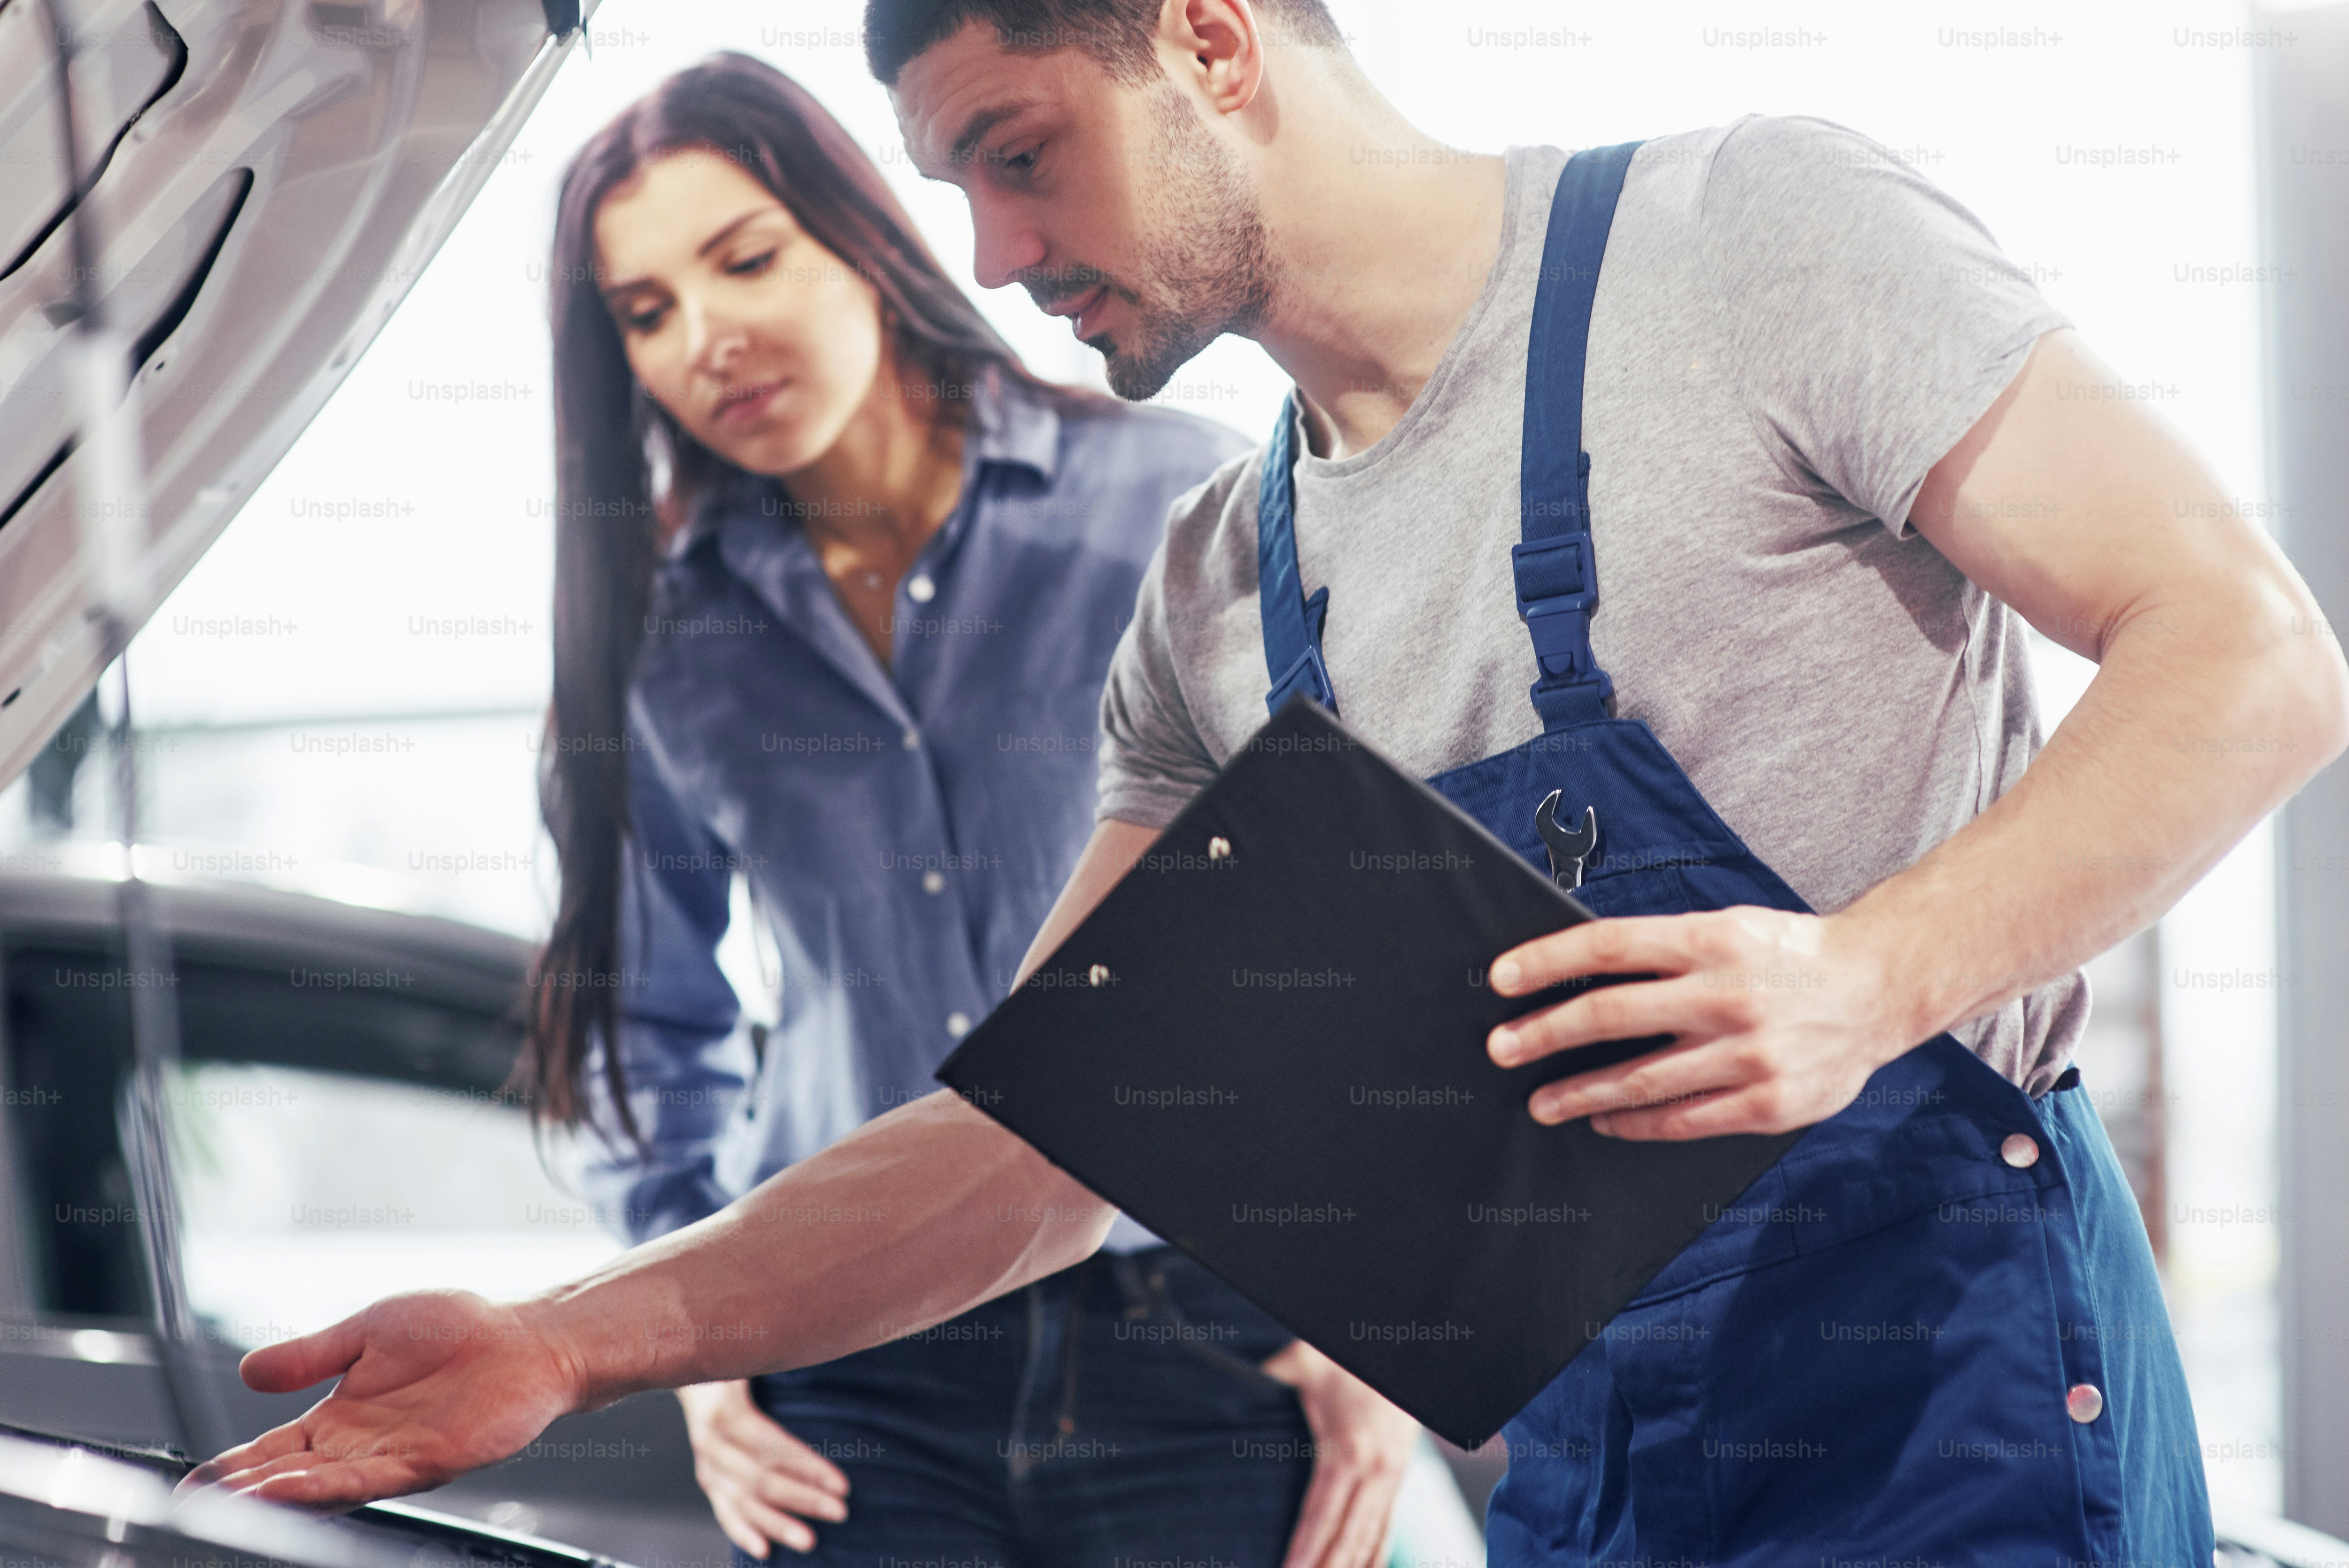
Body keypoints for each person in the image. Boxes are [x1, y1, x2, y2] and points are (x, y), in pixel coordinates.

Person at [188, 3, 2349, 1564]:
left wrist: (1866, 976)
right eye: (958, 193)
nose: (1001, 255)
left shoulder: (1747, 238)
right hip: (1591, 1451)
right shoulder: (1225, 589)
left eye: (1020, 154)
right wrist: (573, 1346)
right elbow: (1025, 1138)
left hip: (1941, 1383)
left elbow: (2244, 649)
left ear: (1209, 43)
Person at [519, 51, 1415, 1568]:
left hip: (1196, 1327)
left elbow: (1373, 918)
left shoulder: (1173, 505)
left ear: (860, 241)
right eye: (646, 312)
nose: (710, 338)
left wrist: (1379, 1285)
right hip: (843, 1362)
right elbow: (636, 1018)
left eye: (745, 261)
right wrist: (689, 1325)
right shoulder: (662, 642)